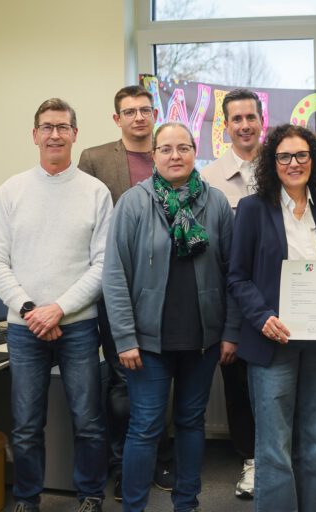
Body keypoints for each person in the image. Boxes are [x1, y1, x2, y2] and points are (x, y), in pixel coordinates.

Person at [102, 122, 239, 512]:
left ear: (196, 152)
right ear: (154, 155)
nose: (175, 156)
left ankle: (187, 504)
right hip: (147, 341)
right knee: (145, 427)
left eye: (183, 148)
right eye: (166, 149)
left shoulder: (215, 204)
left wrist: (230, 332)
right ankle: (133, 506)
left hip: (202, 339)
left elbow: (233, 273)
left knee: (192, 423)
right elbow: (114, 275)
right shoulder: (132, 202)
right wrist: (124, 339)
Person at [0, 98, 111, 512]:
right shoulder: (12, 190)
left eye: (62, 126)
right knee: (25, 426)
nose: (54, 134)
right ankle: (26, 499)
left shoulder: (95, 192)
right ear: (34, 135)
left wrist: (58, 309)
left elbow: (102, 264)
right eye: (46, 127)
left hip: (78, 327)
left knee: (89, 422)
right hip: (24, 329)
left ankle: (91, 495)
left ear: (75, 134)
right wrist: (29, 310)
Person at [228, 123, 316, 512]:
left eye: (302, 155)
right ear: (272, 162)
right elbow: (236, 276)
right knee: (274, 448)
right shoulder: (252, 209)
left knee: (313, 442)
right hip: (271, 341)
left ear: (314, 160)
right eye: (284, 156)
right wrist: (262, 316)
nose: (294, 163)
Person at [78, 84, 175, 500]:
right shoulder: (96, 159)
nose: (139, 117)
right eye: (129, 111)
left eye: (145, 110)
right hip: (115, 289)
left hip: (167, 292)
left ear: (154, 115)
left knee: (164, 376)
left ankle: (159, 458)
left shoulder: (172, 153)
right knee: (121, 381)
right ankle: (122, 464)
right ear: (117, 118)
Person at [200, 87, 262, 500]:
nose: (244, 125)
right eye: (236, 119)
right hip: (233, 302)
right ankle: (252, 459)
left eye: (250, 117)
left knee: (278, 383)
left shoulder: (282, 167)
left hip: (280, 298)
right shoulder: (208, 179)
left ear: (261, 121)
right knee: (239, 386)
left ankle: (281, 459)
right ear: (226, 126)